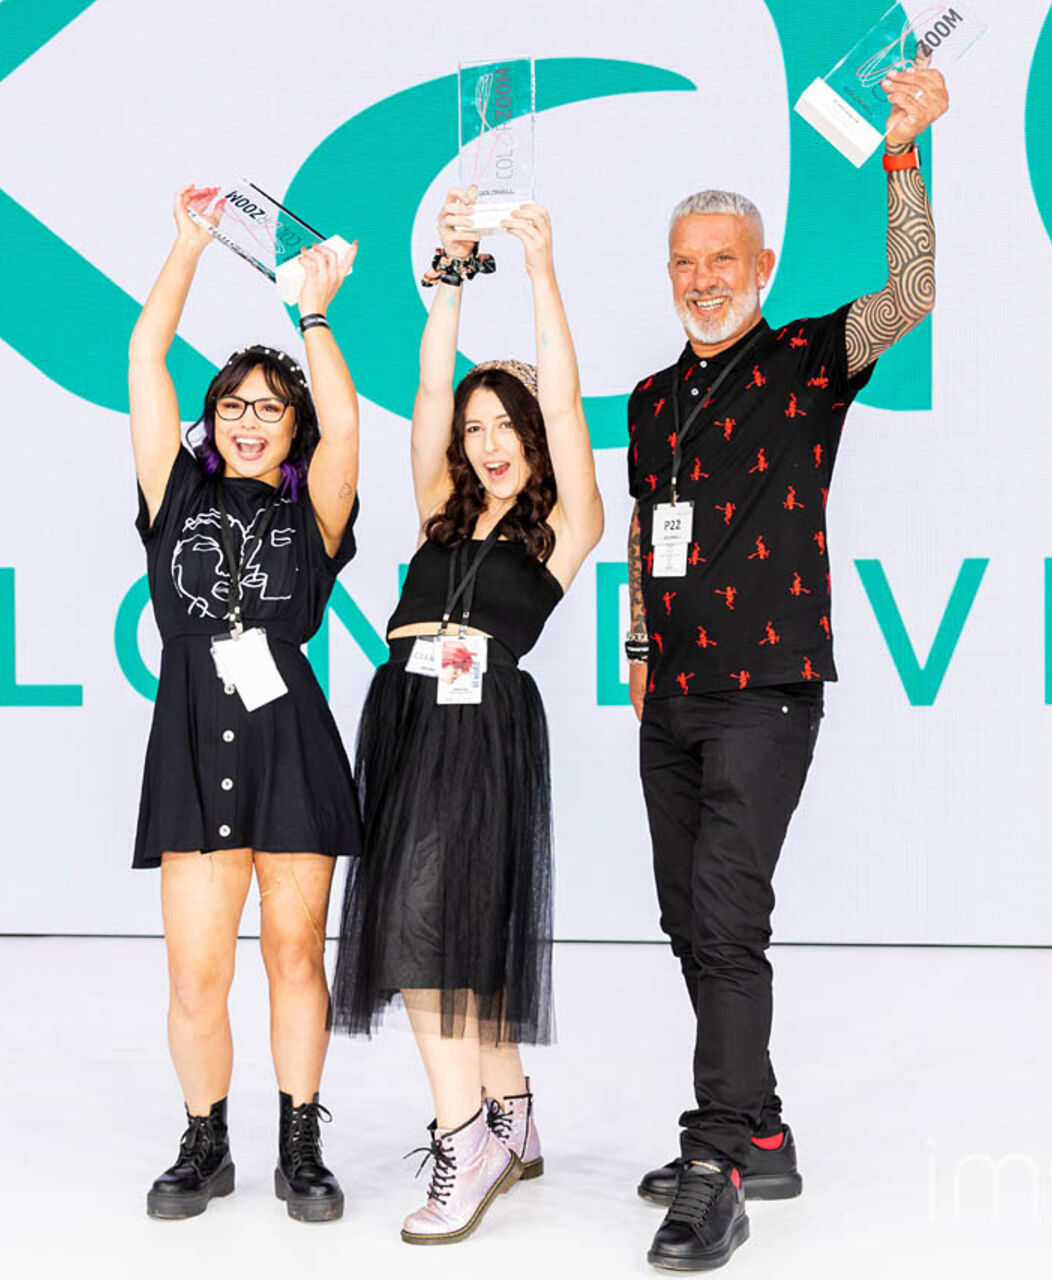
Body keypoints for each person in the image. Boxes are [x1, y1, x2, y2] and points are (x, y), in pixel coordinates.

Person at [623, 63, 950, 1270]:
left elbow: (911, 293)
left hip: (765, 689)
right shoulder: (651, 399)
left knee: (726, 913)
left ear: (761, 266)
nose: (704, 278)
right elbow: (643, 537)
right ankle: (759, 1125)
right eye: (685, 262)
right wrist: (638, 657)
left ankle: (716, 1160)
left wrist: (904, 155)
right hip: (671, 698)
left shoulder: (810, 357)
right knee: (686, 918)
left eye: (724, 259)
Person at [331, 188, 605, 1245]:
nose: (489, 442)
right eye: (476, 427)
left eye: (508, 427)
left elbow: (568, 403)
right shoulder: (439, 509)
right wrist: (449, 272)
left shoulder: (564, 527)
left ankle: (466, 1140)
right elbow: (426, 387)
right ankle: (513, 1116)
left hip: (480, 722)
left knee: (426, 931)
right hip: (406, 712)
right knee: (453, 926)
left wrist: (539, 267)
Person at [127, 184, 363, 1225]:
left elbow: (347, 420)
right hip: (189, 744)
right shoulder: (174, 492)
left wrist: (313, 313)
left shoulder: (315, 511)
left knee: (296, 956)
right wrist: (188, 245)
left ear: (294, 427)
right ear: (212, 422)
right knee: (195, 973)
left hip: (290, 748)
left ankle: (300, 1142)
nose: (252, 421)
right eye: (234, 406)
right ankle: (205, 1138)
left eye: (272, 408)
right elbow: (144, 362)